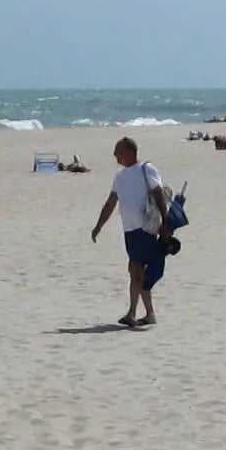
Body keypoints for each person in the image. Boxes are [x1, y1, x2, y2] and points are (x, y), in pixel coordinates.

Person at [91, 136, 169, 327]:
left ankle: (133, 313)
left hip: (145, 229)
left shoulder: (146, 169)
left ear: (130, 152)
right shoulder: (119, 176)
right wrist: (98, 226)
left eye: (118, 152)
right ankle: (148, 314)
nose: (115, 155)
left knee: (136, 270)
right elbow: (111, 203)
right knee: (135, 271)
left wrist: (166, 221)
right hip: (129, 231)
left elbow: (159, 195)